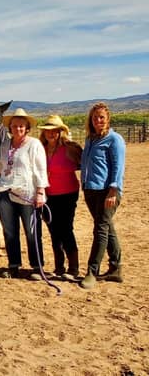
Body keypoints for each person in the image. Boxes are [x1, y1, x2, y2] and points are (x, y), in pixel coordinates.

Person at [0, 108, 48, 280]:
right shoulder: (5, 144)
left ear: (27, 127)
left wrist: (40, 191)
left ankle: (37, 266)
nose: (18, 129)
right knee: (10, 231)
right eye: (14, 126)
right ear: (10, 128)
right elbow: (1, 166)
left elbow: (40, 170)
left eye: (21, 126)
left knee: (31, 231)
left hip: (27, 193)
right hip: (5, 191)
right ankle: (14, 265)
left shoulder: (34, 144)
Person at [80, 102, 126, 289]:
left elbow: (118, 167)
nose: (98, 120)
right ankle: (115, 268)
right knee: (107, 228)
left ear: (108, 119)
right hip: (90, 190)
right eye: (95, 117)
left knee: (100, 229)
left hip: (107, 191)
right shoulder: (90, 140)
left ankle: (92, 271)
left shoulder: (114, 139)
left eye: (101, 117)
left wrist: (113, 190)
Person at [38, 115, 82, 280]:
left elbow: (84, 164)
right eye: (48, 130)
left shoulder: (71, 148)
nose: (51, 133)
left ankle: (74, 267)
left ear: (60, 132)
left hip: (68, 194)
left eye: (55, 130)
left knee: (66, 228)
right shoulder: (40, 148)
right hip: (48, 194)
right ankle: (59, 266)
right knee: (53, 230)